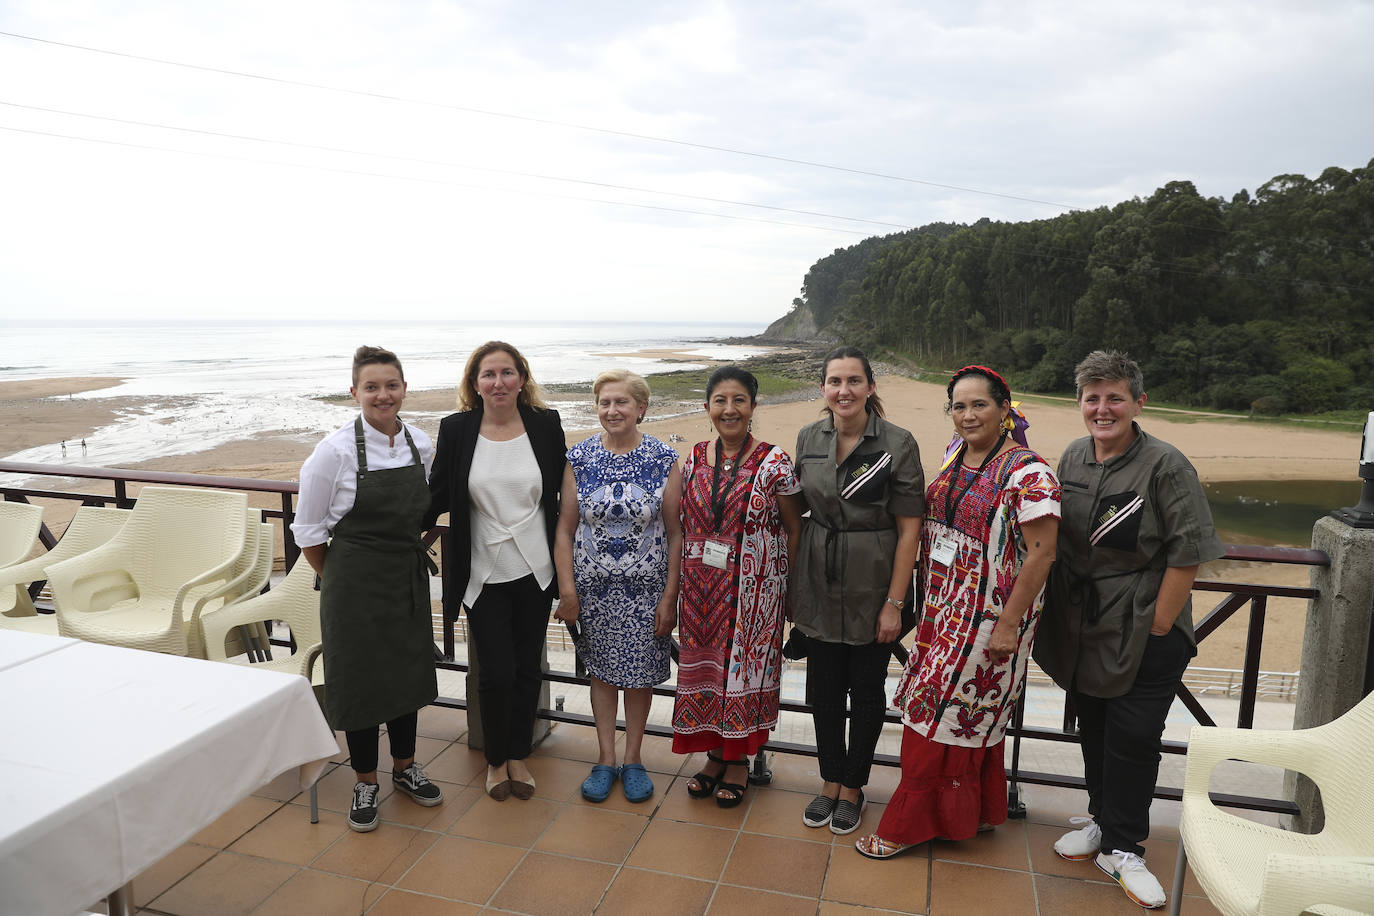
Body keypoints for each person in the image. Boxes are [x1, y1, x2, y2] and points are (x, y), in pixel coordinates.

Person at [1034, 350, 1224, 910]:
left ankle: (1126, 846)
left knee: (1135, 738)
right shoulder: (1072, 456)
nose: (1102, 408)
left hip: (1144, 622)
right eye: (1092, 398)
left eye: (1114, 397)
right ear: (1080, 404)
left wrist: (1161, 625)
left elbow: (1187, 554)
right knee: (1092, 726)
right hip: (1085, 622)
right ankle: (1100, 820)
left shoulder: (1165, 465)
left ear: (1138, 402)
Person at [856, 365, 1060, 858]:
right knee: (965, 716)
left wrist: (1009, 623)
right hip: (943, 612)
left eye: (979, 404)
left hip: (991, 619)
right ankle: (976, 814)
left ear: (1005, 410)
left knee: (935, 715)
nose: (967, 415)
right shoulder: (955, 455)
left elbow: (1043, 554)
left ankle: (905, 826)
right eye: (959, 406)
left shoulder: (1031, 475)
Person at [293, 345, 443, 834]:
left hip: (404, 575)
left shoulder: (421, 443)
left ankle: (404, 769)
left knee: (404, 673)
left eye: (392, 385)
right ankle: (364, 782)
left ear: (404, 389)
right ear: (354, 392)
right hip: (353, 581)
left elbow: (423, 511)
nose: (384, 395)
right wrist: (341, 573)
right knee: (358, 681)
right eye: (372, 387)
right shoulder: (332, 452)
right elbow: (308, 532)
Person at [424, 341, 567, 802]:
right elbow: (438, 493)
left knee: (527, 668)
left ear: (522, 379)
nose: (499, 382)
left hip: (535, 568)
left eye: (507, 373)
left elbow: (561, 494)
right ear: (475, 384)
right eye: (489, 375)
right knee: (495, 672)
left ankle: (519, 756)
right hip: (482, 569)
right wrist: (389, 525)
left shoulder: (545, 425)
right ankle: (495, 761)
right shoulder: (457, 428)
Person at [790, 346, 924, 835]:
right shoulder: (809, 437)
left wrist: (895, 603)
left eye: (853, 381)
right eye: (833, 382)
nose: (843, 390)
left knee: (867, 691)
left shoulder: (897, 443)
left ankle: (854, 786)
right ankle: (829, 780)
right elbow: (796, 509)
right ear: (823, 389)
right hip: (819, 576)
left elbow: (910, 528)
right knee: (823, 690)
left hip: (874, 578)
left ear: (870, 387)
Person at [673, 365, 802, 807]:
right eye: (720, 401)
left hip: (754, 595)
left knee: (741, 673)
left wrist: (789, 591)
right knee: (708, 671)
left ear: (753, 405)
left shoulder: (775, 461)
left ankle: (738, 763)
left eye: (739, 400)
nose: (729, 410)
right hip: (699, 594)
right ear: (707, 406)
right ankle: (713, 756)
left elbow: (793, 529)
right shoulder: (692, 457)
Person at [553, 370, 683, 803]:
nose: (613, 411)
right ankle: (605, 758)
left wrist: (670, 597)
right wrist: (567, 590)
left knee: (639, 678)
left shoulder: (663, 458)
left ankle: (633, 759)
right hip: (594, 593)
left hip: (646, 595)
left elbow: (675, 532)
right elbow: (565, 529)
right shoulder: (580, 457)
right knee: (602, 676)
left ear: (641, 408)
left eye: (622, 402)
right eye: (605, 403)